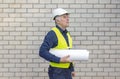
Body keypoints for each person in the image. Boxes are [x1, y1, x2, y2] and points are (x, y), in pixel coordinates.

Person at [39, 8, 75, 79]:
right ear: (57, 20)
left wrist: (72, 69)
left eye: (68, 17)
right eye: (64, 17)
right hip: (57, 71)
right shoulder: (52, 34)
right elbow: (42, 52)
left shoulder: (67, 34)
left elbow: (68, 53)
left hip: (67, 71)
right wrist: (59, 60)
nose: (68, 19)